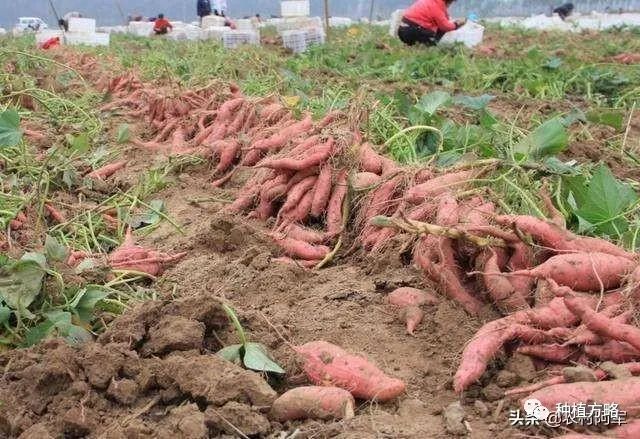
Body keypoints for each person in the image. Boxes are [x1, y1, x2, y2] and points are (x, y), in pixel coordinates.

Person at [397, 0, 465, 46]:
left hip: (402, 31)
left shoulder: (431, 1)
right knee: (441, 29)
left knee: (437, 26)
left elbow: (443, 16)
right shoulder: (436, 6)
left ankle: (417, 45)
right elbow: (445, 26)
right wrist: (456, 25)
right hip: (412, 32)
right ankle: (431, 45)